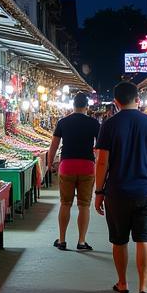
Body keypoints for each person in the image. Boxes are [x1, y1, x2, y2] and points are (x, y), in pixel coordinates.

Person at [94, 81, 147, 293]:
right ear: (138, 99)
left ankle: (123, 283)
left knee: (119, 241)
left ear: (116, 102)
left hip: (117, 192)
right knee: (145, 239)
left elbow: (102, 162)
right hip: (146, 192)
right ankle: (144, 289)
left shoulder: (109, 125)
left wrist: (99, 191)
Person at [47, 92, 101, 251]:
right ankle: (81, 242)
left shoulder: (63, 122)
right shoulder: (94, 123)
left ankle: (62, 240)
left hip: (67, 166)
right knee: (84, 205)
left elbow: (54, 145)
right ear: (87, 106)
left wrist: (50, 163)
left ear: (73, 105)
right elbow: (99, 148)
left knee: (65, 204)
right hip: (87, 167)